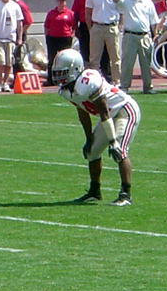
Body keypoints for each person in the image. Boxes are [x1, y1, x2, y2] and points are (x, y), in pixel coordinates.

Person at [52, 49, 138, 206]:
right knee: (92, 151)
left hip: (124, 110)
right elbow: (82, 112)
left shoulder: (88, 81)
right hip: (108, 116)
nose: (59, 77)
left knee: (120, 150)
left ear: (75, 69)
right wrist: (89, 138)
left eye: (63, 72)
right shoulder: (66, 91)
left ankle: (126, 194)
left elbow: (104, 111)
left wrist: (112, 141)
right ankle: (94, 192)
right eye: (57, 73)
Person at [110, 0, 159, 94]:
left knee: (146, 63)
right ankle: (124, 86)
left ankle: (148, 87)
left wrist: (155, 34)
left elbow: (153, 20)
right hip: (130, 35)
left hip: (144, 35)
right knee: (127, 62)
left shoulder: (148, 2)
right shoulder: (126, 0)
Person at [85, 0, 122, 84]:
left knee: (115, 57)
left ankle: (117, 81)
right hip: (97, 27)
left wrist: (119, 27)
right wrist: (90, 28)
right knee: (94, 59)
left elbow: (122, 11)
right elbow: (87, 13)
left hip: (111, 27)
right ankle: (94, 82)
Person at [43, 0, 76, 86]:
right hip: (53, 38)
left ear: (65, 2)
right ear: (57, 1)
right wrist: (47, 37)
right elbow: (46, 26)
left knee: (65, 59)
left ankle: (66, 79)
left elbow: (74, 27)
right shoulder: (51, 13)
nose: (61, 2)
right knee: (52, 59)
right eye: (59, 0)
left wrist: (71, 36)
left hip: (65, 38)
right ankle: (50, 79)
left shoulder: (70, 13)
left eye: (63, 0)